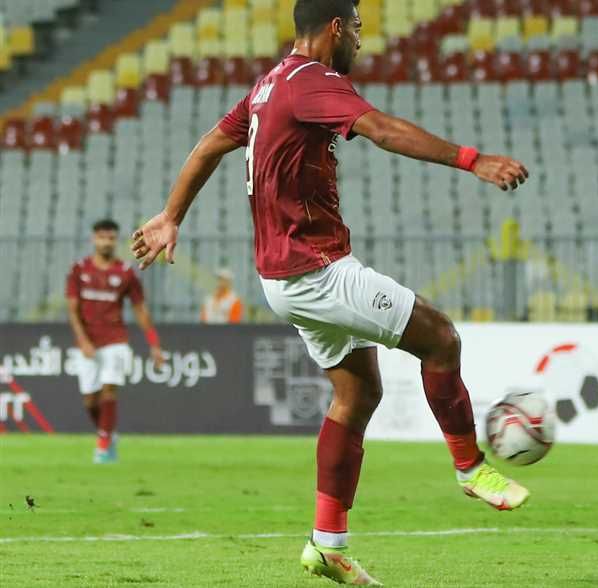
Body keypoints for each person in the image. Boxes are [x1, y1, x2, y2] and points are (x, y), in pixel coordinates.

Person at [130, 0, 530, 583]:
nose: (361, 41)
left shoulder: (268, 85)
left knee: (358, 393)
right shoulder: (312, 81)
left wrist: (172, 215)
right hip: (316, 271)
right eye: (359, 28)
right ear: (336, 27)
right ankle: (471, 468)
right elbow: (382, 130)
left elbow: (210, 144)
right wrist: (474, 160)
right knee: (441, 340)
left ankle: (327, 544)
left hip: (283, 276)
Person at [66, 218, 165, 464]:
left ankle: (103, 446)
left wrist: (154, 344)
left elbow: (140, 310)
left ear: (116, 240)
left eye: (111, 238)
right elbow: (73, 310)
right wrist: (83, 341)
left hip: (115, 339)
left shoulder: (126, 272)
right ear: (94, 239)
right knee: (90, 399)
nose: (106, 242)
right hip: (88, 342)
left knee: (109, 388)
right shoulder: (79, 270)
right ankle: (108, 433)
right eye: (102, 237)